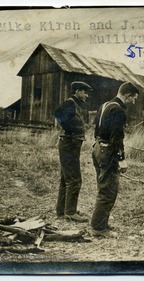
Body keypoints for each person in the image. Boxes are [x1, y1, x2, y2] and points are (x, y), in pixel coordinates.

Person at [91, 82, 139, 237]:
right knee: (108, 190)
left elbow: (96, 131)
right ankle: (99, 228)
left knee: (103, 187)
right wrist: (121, 158)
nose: (133, 102)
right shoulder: (118, 110)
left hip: (98, 148)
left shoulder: (104, 105)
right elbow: (117, 138)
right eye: (133, 98)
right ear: (127, 95)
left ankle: (101, 223)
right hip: (109, 152)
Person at [54, 81, 93, 222]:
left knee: (66, 179)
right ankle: (70, 212)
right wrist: (70, 131)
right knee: (75, 180)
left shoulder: (75, 104)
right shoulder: (70, 103)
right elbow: (58, 113)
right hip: (69, 144)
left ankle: (61, 210)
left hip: (69, 145)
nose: (86, 95)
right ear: (77, 91)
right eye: (84, 92)